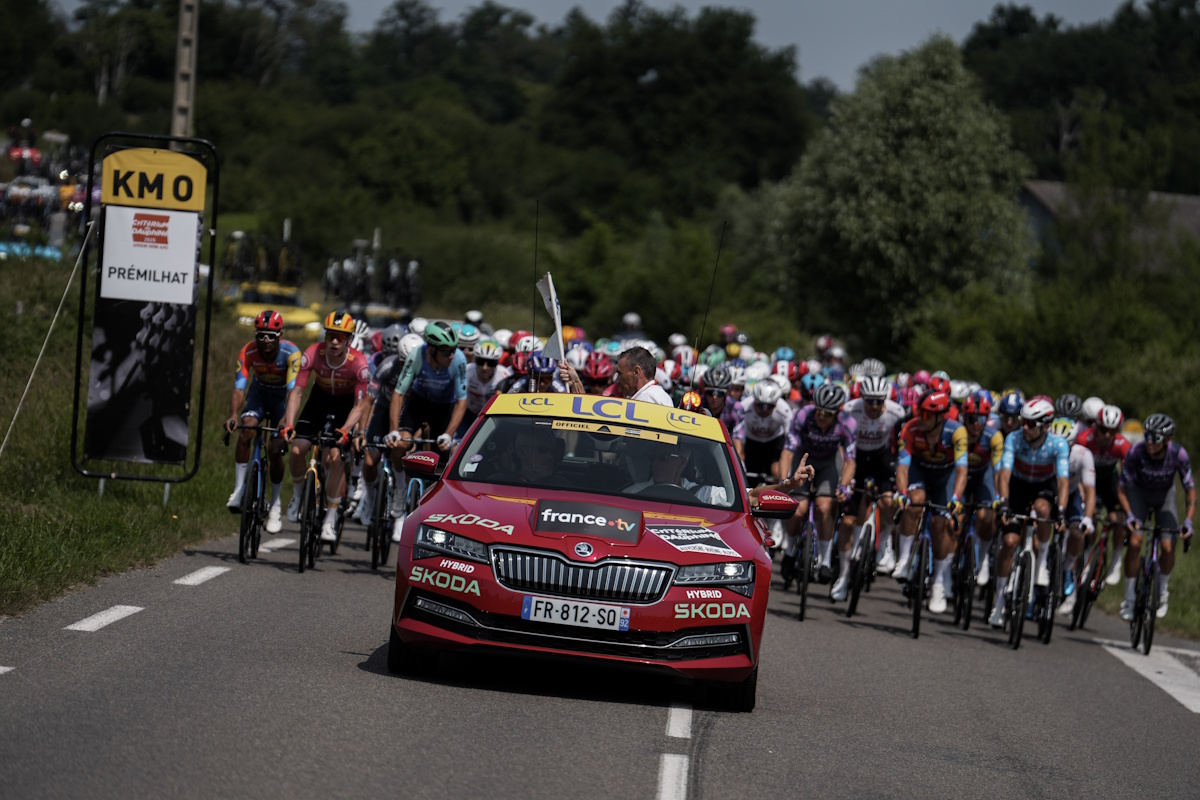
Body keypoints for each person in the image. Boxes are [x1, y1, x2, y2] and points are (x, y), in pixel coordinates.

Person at [286, 311, 372, 541]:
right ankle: (298, 494)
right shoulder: (313, 354)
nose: (334, 341)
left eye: (341, 337)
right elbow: (297, 392)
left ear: (349, 339)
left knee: (336, 459)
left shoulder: (359, 364)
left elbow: (359, 404)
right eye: (331, 335)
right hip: (319, 400)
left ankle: (330, 519)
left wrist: (346, 429)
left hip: (345, 406)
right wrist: (288, 423)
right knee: (297, 449)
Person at [988, 397, 1070, 627]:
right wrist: (1003, 502)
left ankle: (1041, 563)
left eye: (1031, 424)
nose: (1024, 427)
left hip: (1044, 487)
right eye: (1024, 421)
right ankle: (999, 602)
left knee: (1044, 509)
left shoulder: (1058, 445)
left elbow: (1063, 482)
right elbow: (1004, 474)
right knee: (1010, 542)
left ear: (1045, 425)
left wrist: (1061, 511)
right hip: (1018, 486)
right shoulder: (1014, 439)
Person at [224, 310, 302, 534]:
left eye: (270, 336)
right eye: (260, 335)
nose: (265, 341)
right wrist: (232, 415)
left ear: (279, 336)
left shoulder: (291, 353)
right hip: (259, 394)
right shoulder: (248, 351)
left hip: (281, 399)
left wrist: (287, 420)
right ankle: (239, 490)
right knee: (247, 428)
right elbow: (239, 389)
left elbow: (291, 393)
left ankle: (275, 505)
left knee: (276, 447)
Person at [894, 388, 969, 614]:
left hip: (946, 477)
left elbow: (962, 470)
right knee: (913, 501)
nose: (920, 417)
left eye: (926, 414)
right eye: (919, 411)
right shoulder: (910, 428)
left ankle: (938, 581)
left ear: (940, 417)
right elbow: (902, 466)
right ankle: (905, 559)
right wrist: (902, 492)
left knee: (940, 525)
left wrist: (956, 498)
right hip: (920, 472)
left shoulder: (957, 432)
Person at [1116, 414, 1195, 620]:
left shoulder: (1178, 454)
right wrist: (1130, 515)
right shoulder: (1136, 451)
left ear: (1167, 440)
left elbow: (1190, 490)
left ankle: (1163, 591)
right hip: (1138, 494)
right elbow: (1122, 488)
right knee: (1135, 541)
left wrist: (1188, 520)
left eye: (1156, 438)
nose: (1149, 441)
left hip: (1164, 497)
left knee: (1168, 547)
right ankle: (1129, 598)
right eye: (1147, 435)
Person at [780, 383, 857, 585]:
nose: (821, 416)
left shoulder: (847, 423)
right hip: (803, 459)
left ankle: (824, 561)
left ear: (836, 413)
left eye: (827, 413)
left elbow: (850, 459)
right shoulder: (803, 416)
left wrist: (845, 485)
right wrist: (784, 481)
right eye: (819, 411)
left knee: (824, 507)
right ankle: (788, 551)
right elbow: (788, 451)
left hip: (827, 465)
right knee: (798, 509)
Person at [387, 321, 469, 493]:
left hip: (444, 407)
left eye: (454, 350)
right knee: (399, 445)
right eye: (447, 351)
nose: (452, 355)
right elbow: (399, 393)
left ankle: (433, 496)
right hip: (419, 403)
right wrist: (393, 429)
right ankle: (400, 489)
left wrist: (449, 434)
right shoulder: (416, 355)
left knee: (442, 459)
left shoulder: (459, 360)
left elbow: (462, 401)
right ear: (432, 350)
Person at [840, 375, 905, 587]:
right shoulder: (850, 409)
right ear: (862, 398)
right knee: (853, 509)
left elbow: (901, 444)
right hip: (856, 457)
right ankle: (850, 555)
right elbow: (840, 441)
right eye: (870, 401)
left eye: (879, 401)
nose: (875, 406)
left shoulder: (897, 412)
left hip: (881, 457)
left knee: (887, 502)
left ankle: (885, 543)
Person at [1075, 404, 1133, 586]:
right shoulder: (1084, 439)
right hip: (1087, 481)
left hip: (1110, 483)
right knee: (1089, 520)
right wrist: (1081, 492)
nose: (1106, 435)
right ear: (1095, 427)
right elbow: (1073, 469)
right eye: (1102, 430)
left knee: (1118, 518)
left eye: (1112, 431)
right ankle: (1086, 559)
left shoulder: (1123, 445)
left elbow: (1129, 477)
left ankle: (1116, 559)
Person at [1049, 417, 1096, 617]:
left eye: (1065, 445)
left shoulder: (1083, 455)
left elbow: (1090, 489)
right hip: (1047, 492)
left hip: (1071, 495)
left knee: (1077, 533)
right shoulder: (1044, 449)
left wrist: (1087, 518)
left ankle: (1068, 569)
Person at [960, 392, 1003, 587]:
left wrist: (999, 497)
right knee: (954, 517)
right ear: (964, 418)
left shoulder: (993, 436)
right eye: (971, 419)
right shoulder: (957, 432)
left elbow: (998, 471)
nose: (975, 425)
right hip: (959, 476)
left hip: (983, 477)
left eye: (980, 420)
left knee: (987, 517)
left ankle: (983, 558)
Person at [625, 440, 728, 505]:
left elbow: (731, 498)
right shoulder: (634, 493)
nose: (655, 463)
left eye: (663, 458)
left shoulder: (700, 494)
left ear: (681, 462)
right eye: (652, 458)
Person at [732, 380, 794, 481]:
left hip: (774, 443)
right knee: (745, 473)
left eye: (769, 406)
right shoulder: (744, 407)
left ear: (776, 403)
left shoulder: (785, 410)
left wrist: (784, 480)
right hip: (751, 443)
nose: (764, 410)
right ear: (754, 401)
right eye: (760, 405)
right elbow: (738, 441)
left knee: (777, 471)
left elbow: (789, 446)